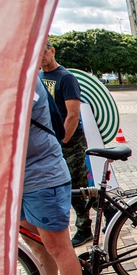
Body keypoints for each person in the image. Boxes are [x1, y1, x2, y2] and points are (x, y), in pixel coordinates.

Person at [21, 75, 93, 275]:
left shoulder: (24, 78)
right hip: (19, 181)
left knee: (58, 246)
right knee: (32, 238)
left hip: (42, 176)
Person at [40, 40, 92, 247]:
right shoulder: (38, 77)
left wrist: (62, 141)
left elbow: (72, 115)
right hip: (50, 141)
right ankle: (108, 210)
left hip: (69, 141)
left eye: (43, 52)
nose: (40, 57)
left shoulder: (66, 78)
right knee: (76, 184)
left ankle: (84, 227)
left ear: (52, 51)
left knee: (75, 184)